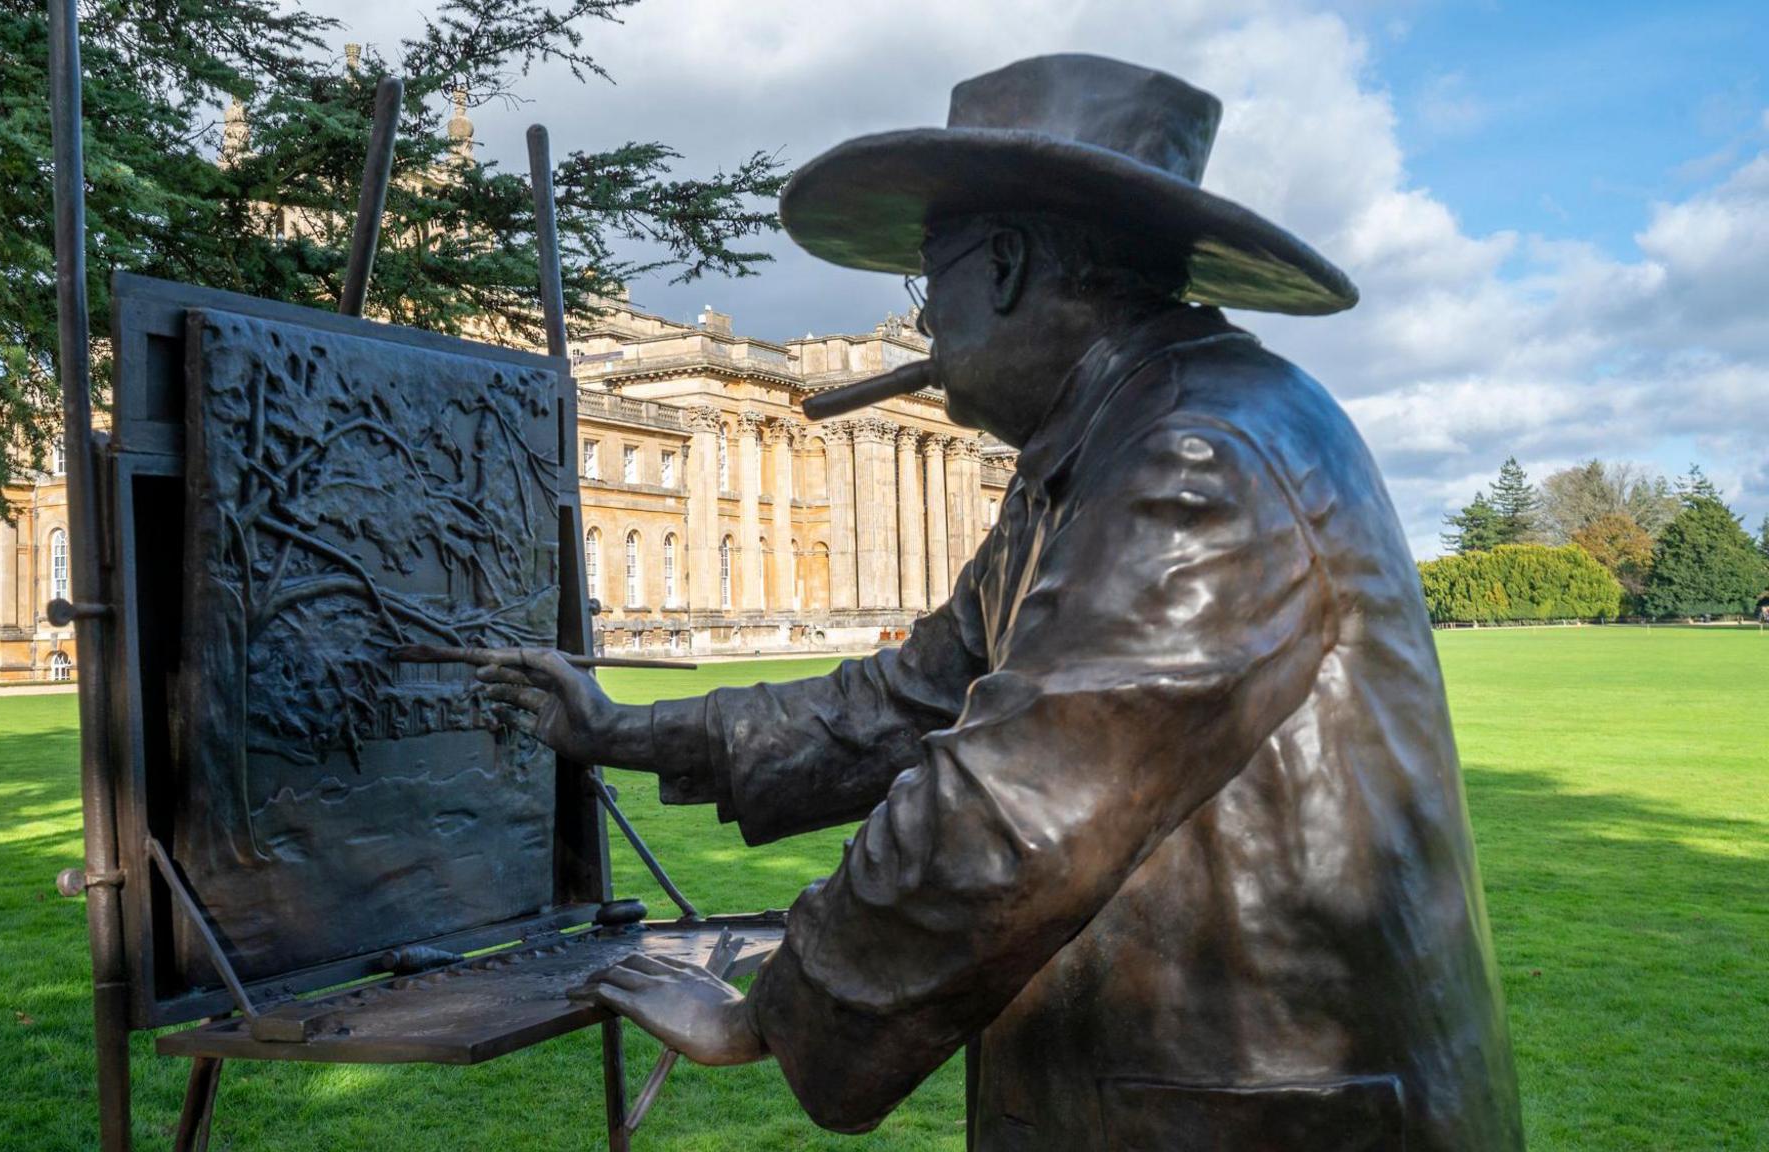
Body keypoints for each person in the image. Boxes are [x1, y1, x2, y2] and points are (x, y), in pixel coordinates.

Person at [475, 54, 1522, 1151]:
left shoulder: (1195, 453)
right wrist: (621, 729)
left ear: (1009, 266)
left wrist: (773, 1013)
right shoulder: (1095, 449)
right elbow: (905, 699)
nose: (925, 332)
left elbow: (1014, 807)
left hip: (1259, 1116)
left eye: (935, 287)